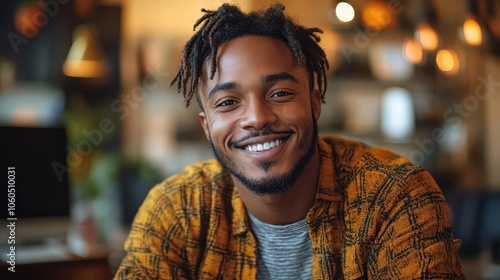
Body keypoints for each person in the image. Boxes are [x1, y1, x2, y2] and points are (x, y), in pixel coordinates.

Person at [115, 3, 465, 279]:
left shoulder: (394, 196)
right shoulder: (177, 209)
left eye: (280, 93)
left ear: (314, 104)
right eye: (227, 102)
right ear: (207, 127)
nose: (256, 117)